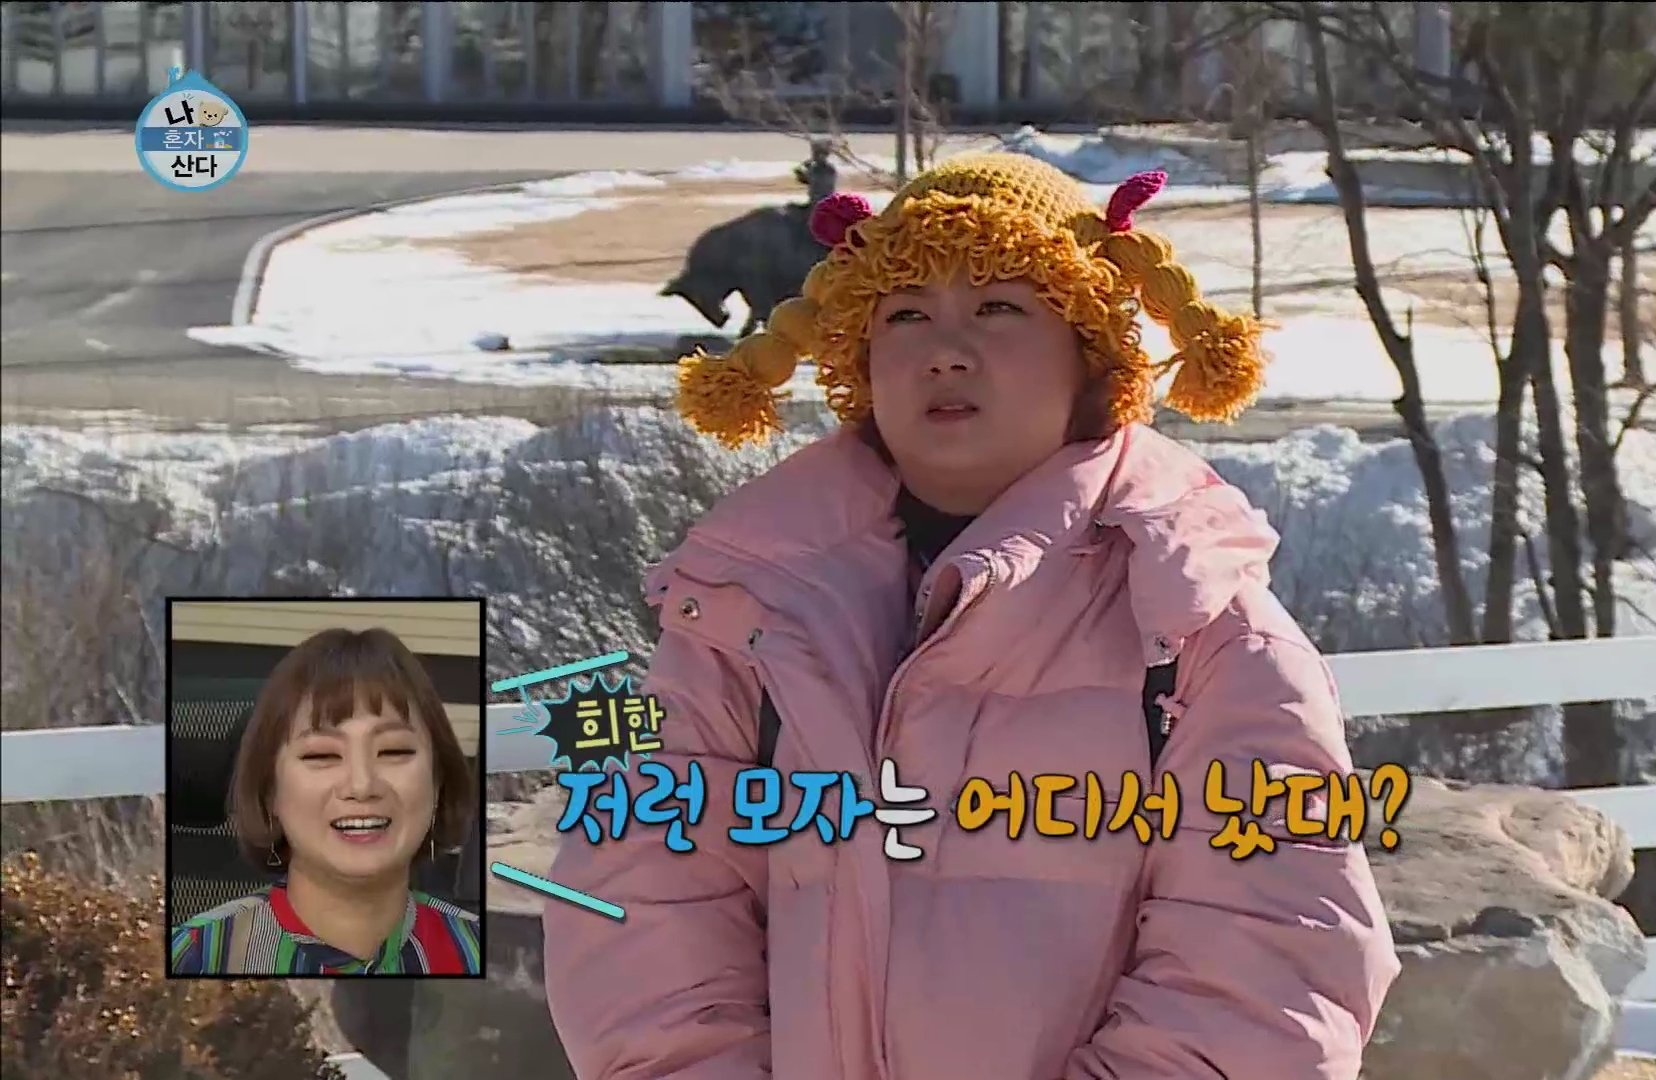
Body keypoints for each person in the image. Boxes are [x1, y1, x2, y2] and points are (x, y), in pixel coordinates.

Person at [544, 153, 1399, 1077]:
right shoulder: (741, 607)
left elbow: (1268, 975)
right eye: (907, 314)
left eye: (999, 308)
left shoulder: (1197, 627)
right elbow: (641, 911)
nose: (945, 350)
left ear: (1090, 358)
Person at [169, 627, 480, 976]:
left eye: (394, 751)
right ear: (270, 791)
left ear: (437, 781)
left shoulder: (481, 953)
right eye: (321, 755)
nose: (362, 785)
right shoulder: (194, 956)